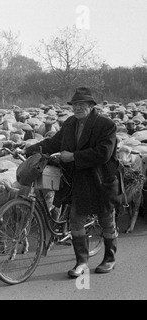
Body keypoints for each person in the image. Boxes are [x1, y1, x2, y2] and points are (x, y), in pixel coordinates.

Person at [23, 87, 120, 278]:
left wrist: (74, 156)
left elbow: (104, 153)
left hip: (101, 180)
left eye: (82, 104)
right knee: (76, 220)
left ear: (91, 106)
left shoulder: (106, 125)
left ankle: (109, 258)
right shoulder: (70, 124)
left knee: (106, 221)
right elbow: (54, 143)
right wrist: (30, 149)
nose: (77, 108)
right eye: (75, 104)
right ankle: (81, 262)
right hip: (79, 181)